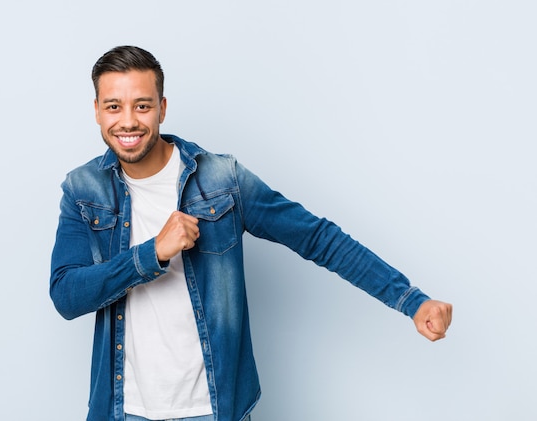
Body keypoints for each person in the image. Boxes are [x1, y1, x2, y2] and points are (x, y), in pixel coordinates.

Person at [49, 45, 452, 421]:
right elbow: (67, 295)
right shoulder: (83, 189)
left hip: (214, 407)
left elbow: (316, 238)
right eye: (114, 106)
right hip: (123, 409)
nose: (129, 121)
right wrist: (151, 253)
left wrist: (410, 300)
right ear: (98, 111)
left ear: (163, 108)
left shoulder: (222, 179)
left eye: (142, 105)